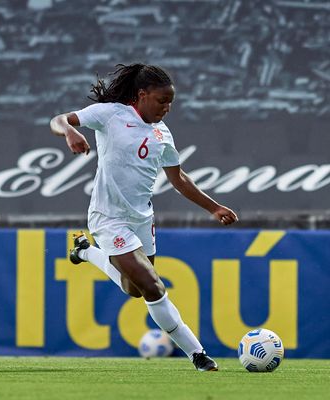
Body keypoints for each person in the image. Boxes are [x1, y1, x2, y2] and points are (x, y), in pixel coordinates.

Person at [50, 63, 238, 371]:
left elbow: (179, 179)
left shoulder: (163, 134)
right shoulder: (111, 115)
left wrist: (213, 207)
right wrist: (70, 130)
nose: (167, 108)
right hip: (108, 217)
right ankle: (197, 354)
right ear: (142, 95)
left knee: (133, 289)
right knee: (154, 287)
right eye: (162, 101)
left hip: (142, 219)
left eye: (171, 103)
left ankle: (85, 251)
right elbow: (58, 120)